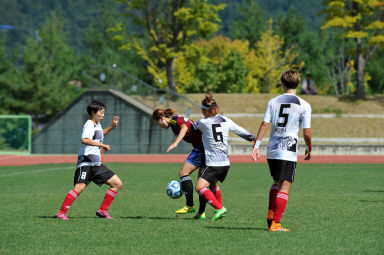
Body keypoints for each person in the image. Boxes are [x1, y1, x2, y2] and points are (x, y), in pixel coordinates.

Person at [252, 70, 312, 231]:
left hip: (272, 149)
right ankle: (276, 223)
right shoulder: (304, 105)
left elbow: (264, 124)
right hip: (288, 149)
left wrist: (256, 146)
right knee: (285, 186)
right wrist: (309, 147)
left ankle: (271, 215)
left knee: (276, 183)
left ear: (283, 83)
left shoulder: (273, 101)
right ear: (298, 84)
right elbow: (306, 132)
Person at [55, 100, 122, 220]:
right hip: (86, 163)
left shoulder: (97, 124)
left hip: (96, 164)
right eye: (101, 112)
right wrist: (103, 145)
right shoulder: (89, 123)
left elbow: (100, 134)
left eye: (104, 113)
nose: (103, 115)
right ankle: (61, 213)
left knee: (117, 184)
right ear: (93, 112)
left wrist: (112, 127)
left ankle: (102, 211)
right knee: (79, 187)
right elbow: (85, 139)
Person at [195, 93, 255, 221]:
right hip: (225, 163)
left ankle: (219, 208)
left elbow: (192, 129)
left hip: (213, 164)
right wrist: (254, 139)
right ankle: (220, 209)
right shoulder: (225, 120)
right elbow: (242, 132)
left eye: (202, 110)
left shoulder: (202, 123)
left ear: (206, 110)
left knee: (200, 187)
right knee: (213, 185)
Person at [152, 109, 207, 219]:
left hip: (201, 147)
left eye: (158, 124)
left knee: (183, 172)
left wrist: (175, 143)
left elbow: (184, 127)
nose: (160, 126)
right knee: (202, 182)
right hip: (205, 146)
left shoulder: (174, 120)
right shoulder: (173, 121)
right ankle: (201, 212)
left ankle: (190, 205)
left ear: (162, 118)